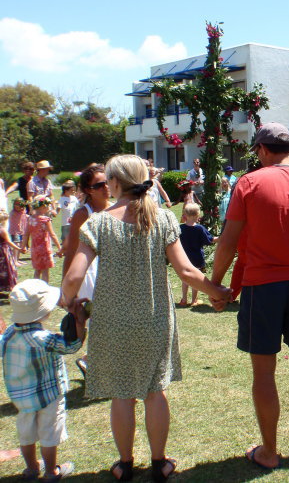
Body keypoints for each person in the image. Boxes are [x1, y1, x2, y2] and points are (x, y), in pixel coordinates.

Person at [61, 154, 231, 482]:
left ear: (114, 183)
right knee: (155, 392)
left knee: (122, 394)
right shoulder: (163, 218)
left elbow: (72, 278)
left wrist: (68, 302)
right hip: (155, 319)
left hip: (112, 322)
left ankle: (124, 464)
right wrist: (217, 291)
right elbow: (186, 271)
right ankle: (159, 463)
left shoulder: (98, 223)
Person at [211, 123, 289, 469]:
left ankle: (269, 451)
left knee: (264, 372)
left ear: (263, 149)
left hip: (261, 286)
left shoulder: (248, 183)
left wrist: (216, 285)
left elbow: (228, 241)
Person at [0, 279, 86, 481]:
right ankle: (50, 471)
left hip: (22, 399)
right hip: (49, 396)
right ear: (42, 311)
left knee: (26, 435)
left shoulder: (10, 334)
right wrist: (79, 321)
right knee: (49, 434)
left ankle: (31, 469)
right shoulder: (43, 339)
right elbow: (72, 346)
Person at [61, 163, 111, 379]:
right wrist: (66, 290)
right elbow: (71, 252)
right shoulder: (83, 214)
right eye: (99, 185)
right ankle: (90, 361)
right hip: (90, 273)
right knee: (100, 321)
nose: (105, 187)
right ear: (88, 190)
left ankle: (92, 362)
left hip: (111, 271)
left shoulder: (115, 208)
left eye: (107, 182)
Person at [178, 203, 217, 307]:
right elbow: (210, 240)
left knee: (185, 279)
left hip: (184, 258)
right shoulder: (200, 228)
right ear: (198, 215)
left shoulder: (180, 228)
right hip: (197, 258)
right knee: (195, 280)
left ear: (185, 214)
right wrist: (221, 238)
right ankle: (194, 300)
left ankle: (184, 300)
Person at [21, 197, 61, 283]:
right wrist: (59, 247)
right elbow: (52, 234)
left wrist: (23, 246)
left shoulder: (30, 219)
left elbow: (26, 234)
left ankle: (35, 287)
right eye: (48, 206)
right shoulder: (45, 220)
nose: (49, 208)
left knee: (37, 270)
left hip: (35, 248)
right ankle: (44, 287)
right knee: (45, 270)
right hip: (45, 248)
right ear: (43, 207)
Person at [0, 209, 20, 292]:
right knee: (7, 268)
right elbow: (9, 242)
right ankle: (8, 285)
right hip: (3, 251)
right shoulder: (3, 230)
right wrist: (19, 249)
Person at [9, 199, 28, 266]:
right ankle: (14, 260)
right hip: (15, 231)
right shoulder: (13, 213)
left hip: (22, 231)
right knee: (16, 245)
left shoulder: (23, 211)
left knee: (20, 244)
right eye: (15, 205)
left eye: (19, 205)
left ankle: (17, 259)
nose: (17, 207)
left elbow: (25, 215)